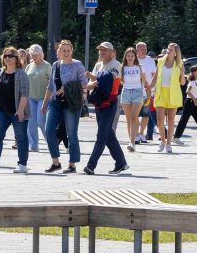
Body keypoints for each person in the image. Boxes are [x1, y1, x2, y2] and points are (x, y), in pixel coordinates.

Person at [42, 39, 87, 173]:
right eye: (63, 50)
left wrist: (66, 89)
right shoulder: (55, 65)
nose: (66, 53)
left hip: (71, 104)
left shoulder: (77, 65)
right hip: (55, 102)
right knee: (49, 130)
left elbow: (84, 83)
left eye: (68, 50)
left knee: (71, 133)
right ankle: (55, 162)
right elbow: (50, 86)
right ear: (59, 52)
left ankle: (72, 164)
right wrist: (44, 103)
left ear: (72, 51)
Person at [83, 43, 128, 175]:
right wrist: (91, 83)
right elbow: (92, 85)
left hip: (110, 103)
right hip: (99, 103)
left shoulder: (116, 64)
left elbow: (109, 78)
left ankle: (91, 166)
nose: (101, 52)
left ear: (112, 52)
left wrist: (92, 77)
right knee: (108, 135)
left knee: (101, 135)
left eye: (104, 50)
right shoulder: (98, 65)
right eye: (100, 50)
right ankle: (121, 163)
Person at [0, 47, 30, 174]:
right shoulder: (1, 71)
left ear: (16, 58)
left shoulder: (21, 73)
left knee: (21, 137)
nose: (8, 58)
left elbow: (25, 94)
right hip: (1, 110)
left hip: (17, 110)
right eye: (5, 56)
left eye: (11, 56)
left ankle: (22, 164)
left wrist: (21, 110)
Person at [25, 45, 50, 153]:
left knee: (41, 121)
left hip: (43, 97)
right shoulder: (29, 66)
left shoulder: (47, 65)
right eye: (32, 55)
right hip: (31, 97)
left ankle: (51, 142)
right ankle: (33, 145)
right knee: (31, 122)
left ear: (41, 54)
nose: (35, 57)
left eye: (37, 55)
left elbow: (52, 82)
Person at [119, 47, 145, 152]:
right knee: (129, 119)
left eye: (132, 56)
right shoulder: (122, 68)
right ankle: (131, 140)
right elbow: (120, 82)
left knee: (134, 117)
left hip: (137, 92)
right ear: (125, 57)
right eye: (128, 56)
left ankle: (132, 143)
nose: (130, 57)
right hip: (126, 92)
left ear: (135, 57)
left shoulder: (140, 67)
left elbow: (144, 81)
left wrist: (147, 93)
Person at [136, 42, 157, 144]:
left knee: (146, 114)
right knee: (135, 115)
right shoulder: (133, 59)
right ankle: (135, 135)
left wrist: (153, 88)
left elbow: (154, 74)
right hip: (135, 91)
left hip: (148, 92)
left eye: (145, 48)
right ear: (137, 50)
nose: (144, 50)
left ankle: (141, 133)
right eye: (141, 49)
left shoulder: (150, 60)